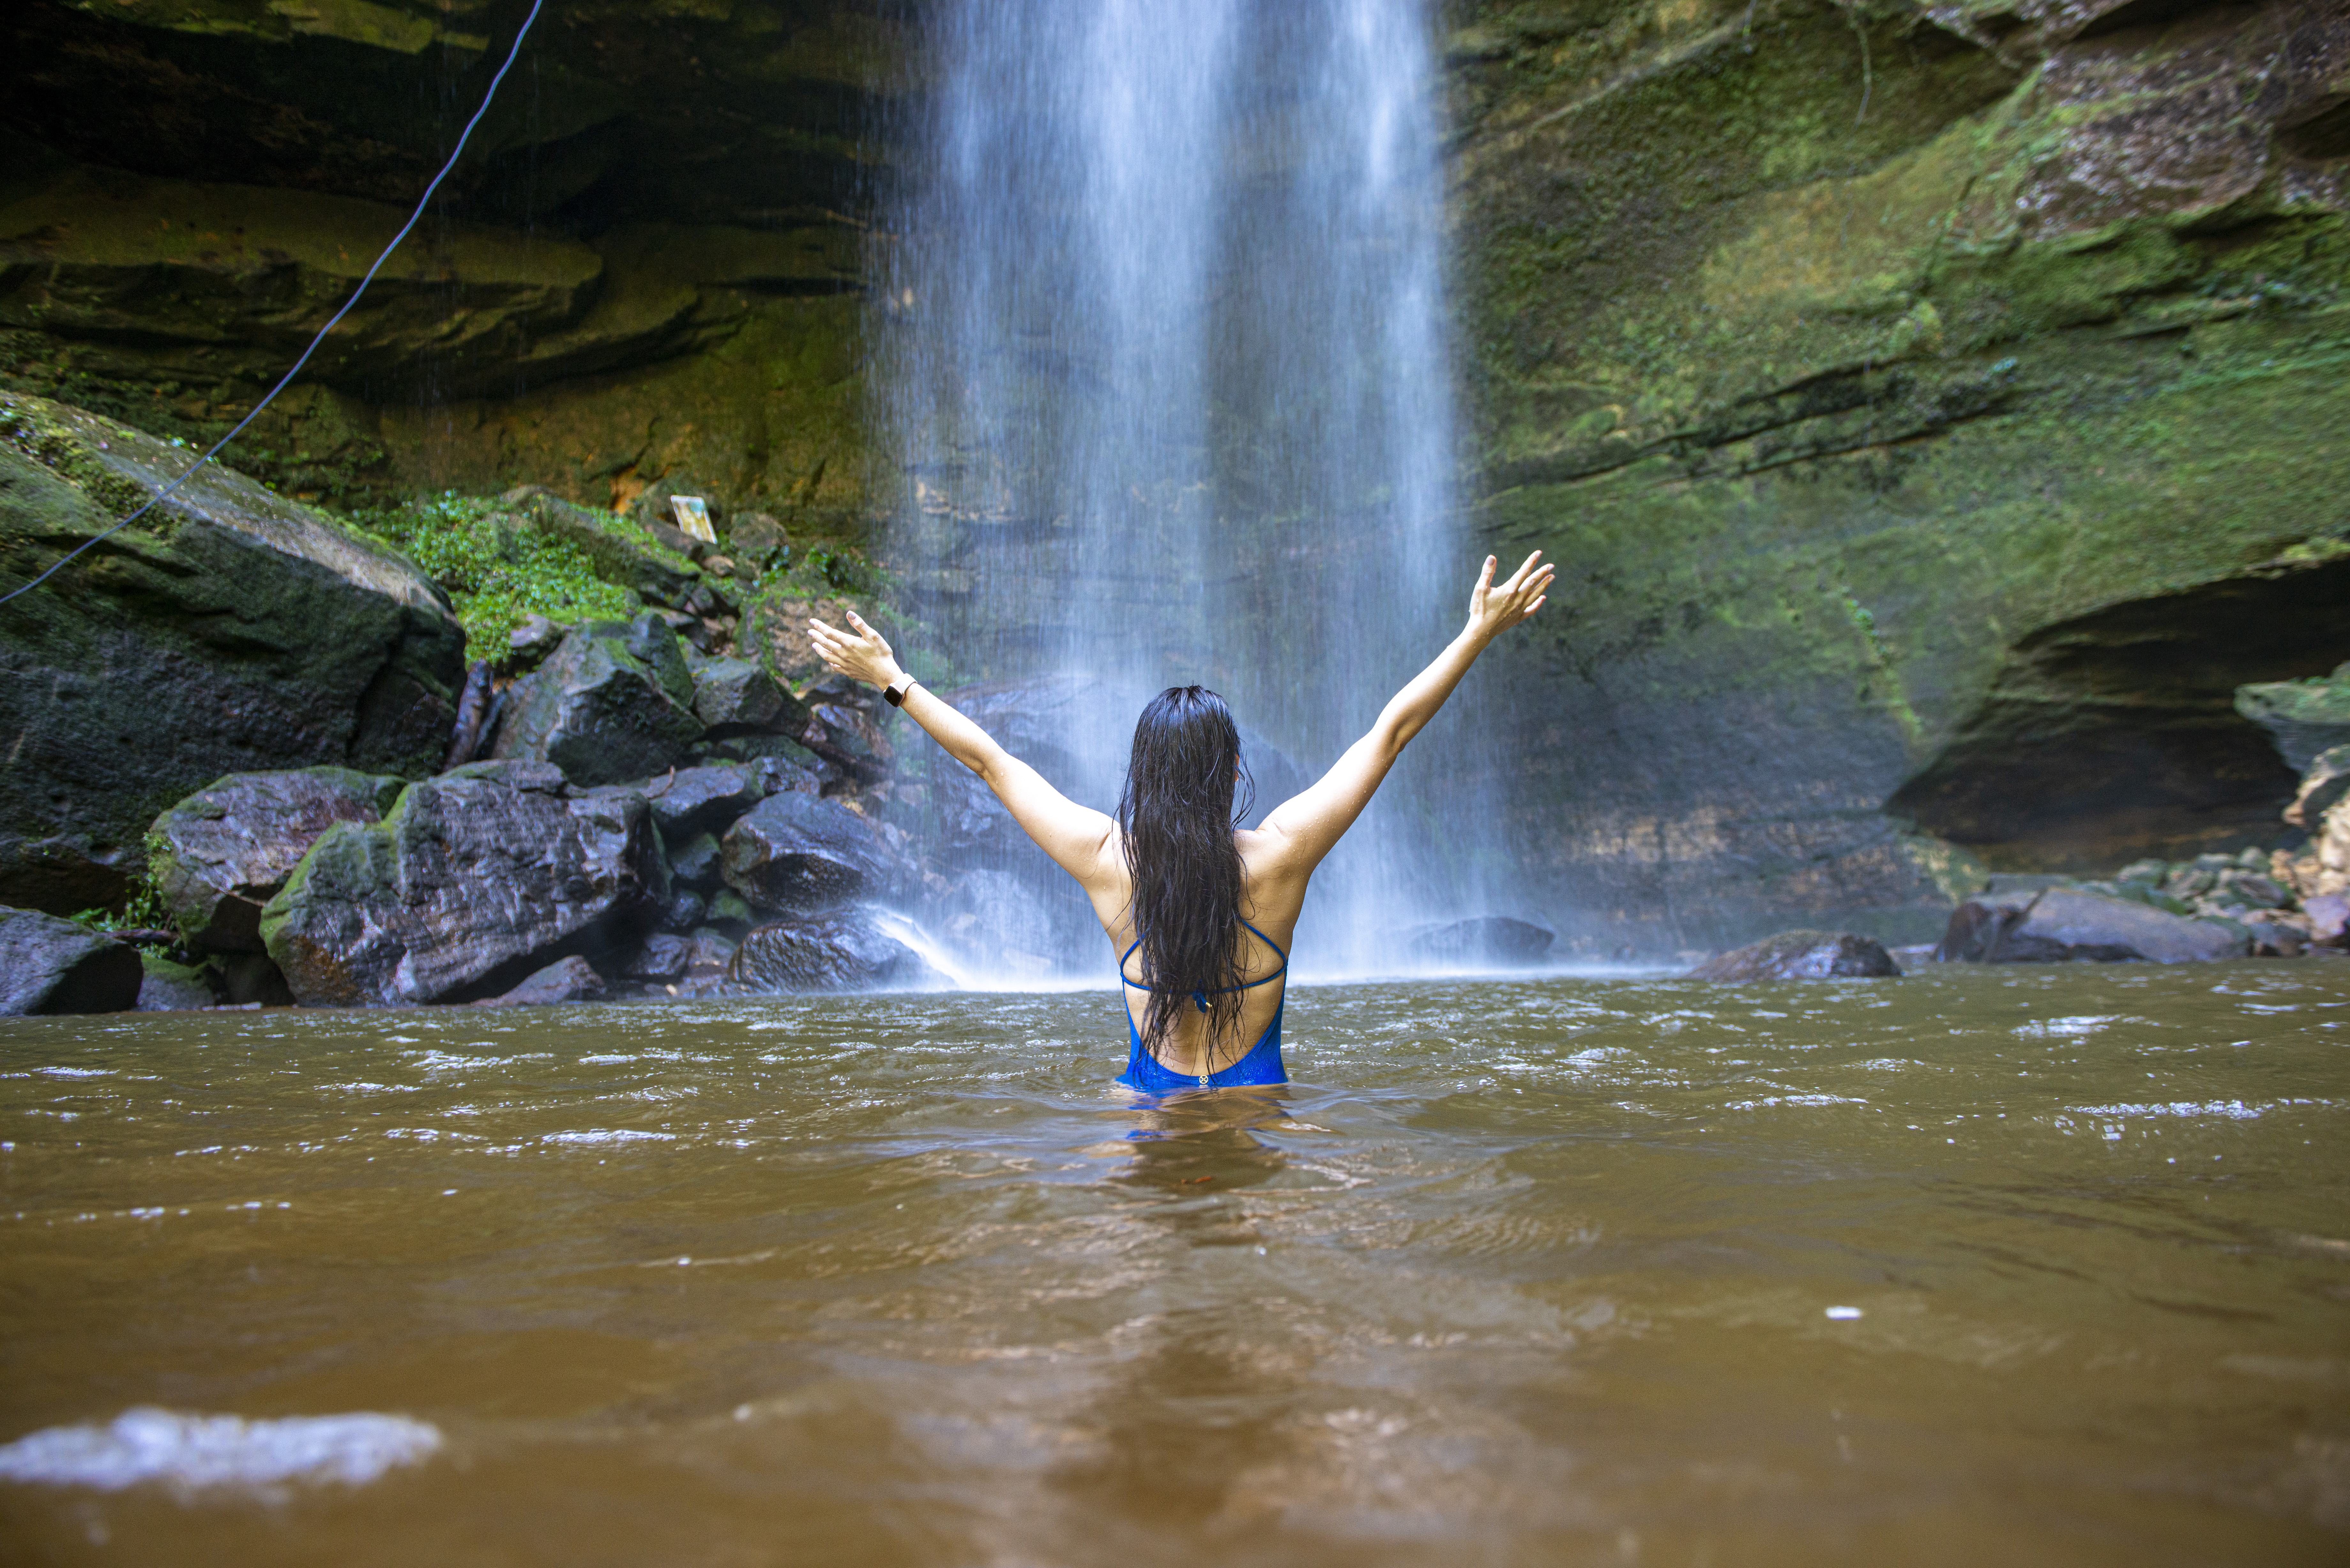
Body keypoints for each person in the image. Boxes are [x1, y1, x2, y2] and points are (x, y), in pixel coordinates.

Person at [807, 550, 1554, 1093]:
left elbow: (991, 762)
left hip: (1143, 1117)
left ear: (1143, 775)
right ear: (1232, 772)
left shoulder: (1106, 859)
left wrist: (893, 681)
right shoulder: (1280, 858)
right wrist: (1475, 634)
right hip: (1259, 1115)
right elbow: (1388, 734)